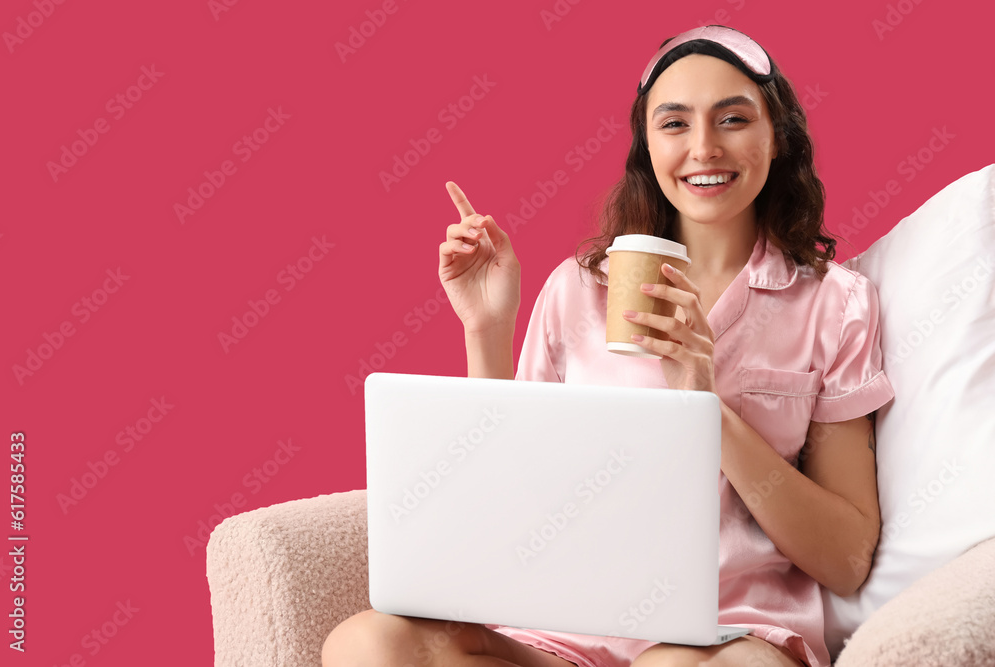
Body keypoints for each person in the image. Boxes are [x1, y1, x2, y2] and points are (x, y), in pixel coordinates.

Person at [322, 24, 894, 667]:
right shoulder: (579, 287)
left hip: (725, 636)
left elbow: (845, 560)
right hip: (564, 639)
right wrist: (486, 328)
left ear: (776, 136)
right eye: (674, 124)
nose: (704, 148)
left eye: (732, 119)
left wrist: (706, 405)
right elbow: (507, 493)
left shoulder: (836, 304)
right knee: (366, 644)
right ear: (647, 147)